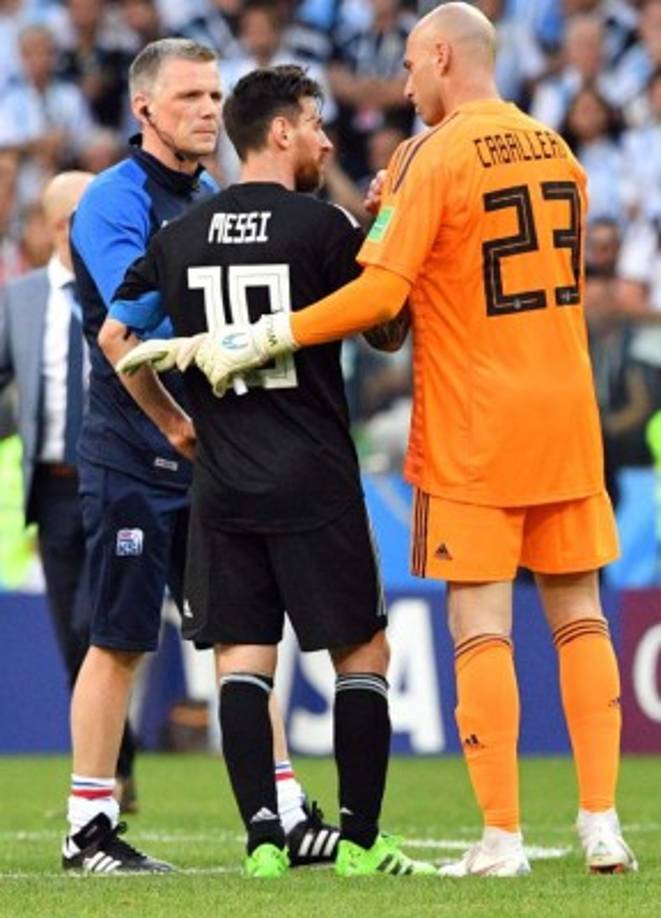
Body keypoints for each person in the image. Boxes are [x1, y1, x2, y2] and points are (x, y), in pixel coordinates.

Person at [134, 3, 638, 878]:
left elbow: (380, 309)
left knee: (480, 624)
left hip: (473, 424)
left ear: (442, 56)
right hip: (565, 413)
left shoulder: (429, 155)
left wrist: (263, 335)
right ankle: (602, 824)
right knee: (580, 615)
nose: (401, 85)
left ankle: (502, 838)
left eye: (409, 67)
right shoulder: (558, 149)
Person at [110, 64, 433, 880]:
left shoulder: (178, 233)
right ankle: (360, 843)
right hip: (314, 475)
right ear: (281, 131)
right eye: (317, 124)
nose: (327, 139)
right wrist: (384, 231)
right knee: (360, 656)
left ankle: (262, 841)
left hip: (222, 480)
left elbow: (119, 342)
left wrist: (176, 427)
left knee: (243, 662)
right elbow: (387, 330)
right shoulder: (320, 227)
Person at [61, 38, 333, 875]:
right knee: (121, 639)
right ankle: (89, 827)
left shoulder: (215, 195)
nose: (209, 111)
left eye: (215, 96)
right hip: (135, 456)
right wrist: (182, 423)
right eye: (189, 98)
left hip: (209, 455)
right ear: (144, 109)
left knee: (245, 635)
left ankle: (281, 807)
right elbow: (134, 331)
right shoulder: (111, 203)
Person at [0, 171, 139, 808]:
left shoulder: (126, 286)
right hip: (54, 488)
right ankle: (116, 758)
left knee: (99, 622)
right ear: (62, 227)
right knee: (72, 637)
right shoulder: (20, 299)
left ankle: (113, 766)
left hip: (120, 477)